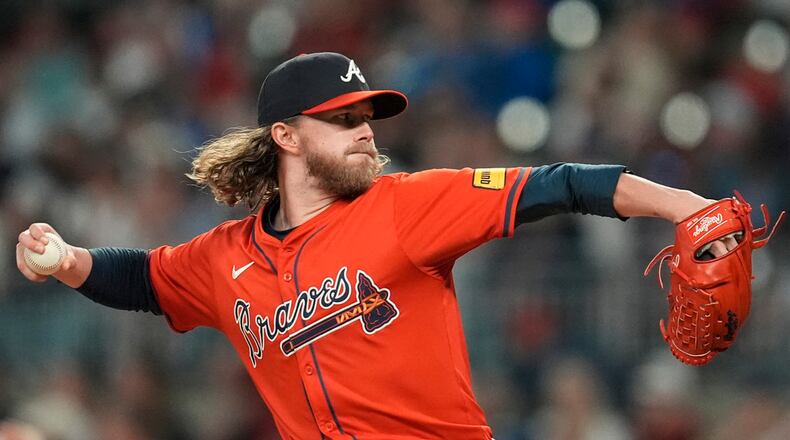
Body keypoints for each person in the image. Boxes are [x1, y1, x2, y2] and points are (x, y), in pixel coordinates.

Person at [16, 52, 737, 439]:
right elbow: (145, 279)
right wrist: (70, 261)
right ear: (287, 138)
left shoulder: (408, 206)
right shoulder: (224, 258)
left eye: (368, 116)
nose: (366, 130)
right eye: (342, 119)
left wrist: (686, 204)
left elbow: (559, 184)